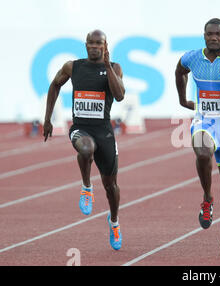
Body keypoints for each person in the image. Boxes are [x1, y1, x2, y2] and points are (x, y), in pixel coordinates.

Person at [43, 30, 125, 250]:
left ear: (105, 45)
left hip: (104, 131)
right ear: (86, 44)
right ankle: (87, 188)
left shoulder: (115, 68)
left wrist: (107, 66)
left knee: (111, 187)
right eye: (91, 43)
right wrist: (48, 118)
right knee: (86, 149)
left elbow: (119, 96)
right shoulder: (73, 66)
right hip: (80, 128)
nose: (94, 46)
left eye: (99, 43)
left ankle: (114, 221)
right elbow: (55, 85)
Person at [175, 18, 220, 255]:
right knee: (202, 150)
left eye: (218, 34)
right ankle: (207, 198)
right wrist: (182, 98)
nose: (214, 37)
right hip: (204, 120)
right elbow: (179, 70)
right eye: (210, 34)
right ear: (204, 35)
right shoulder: (193, 57)